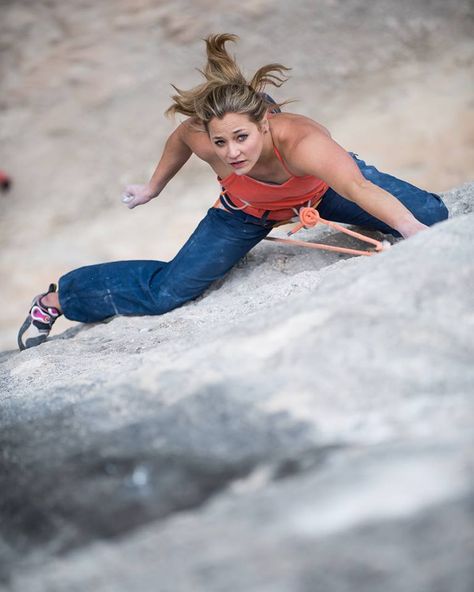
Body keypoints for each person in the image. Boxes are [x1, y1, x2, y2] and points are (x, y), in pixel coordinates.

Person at [17, 33, 448, 350]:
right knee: (166, 292)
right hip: (243, 213)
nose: (232, 152)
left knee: (430, 217)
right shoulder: (204, 137)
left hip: (323, 194)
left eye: (241, 137)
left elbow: (356, 186)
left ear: (264, 123)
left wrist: (411, 231)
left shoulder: (304, 143)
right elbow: (182, 139)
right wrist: (153, 187)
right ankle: (56, 299)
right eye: (221, 142)